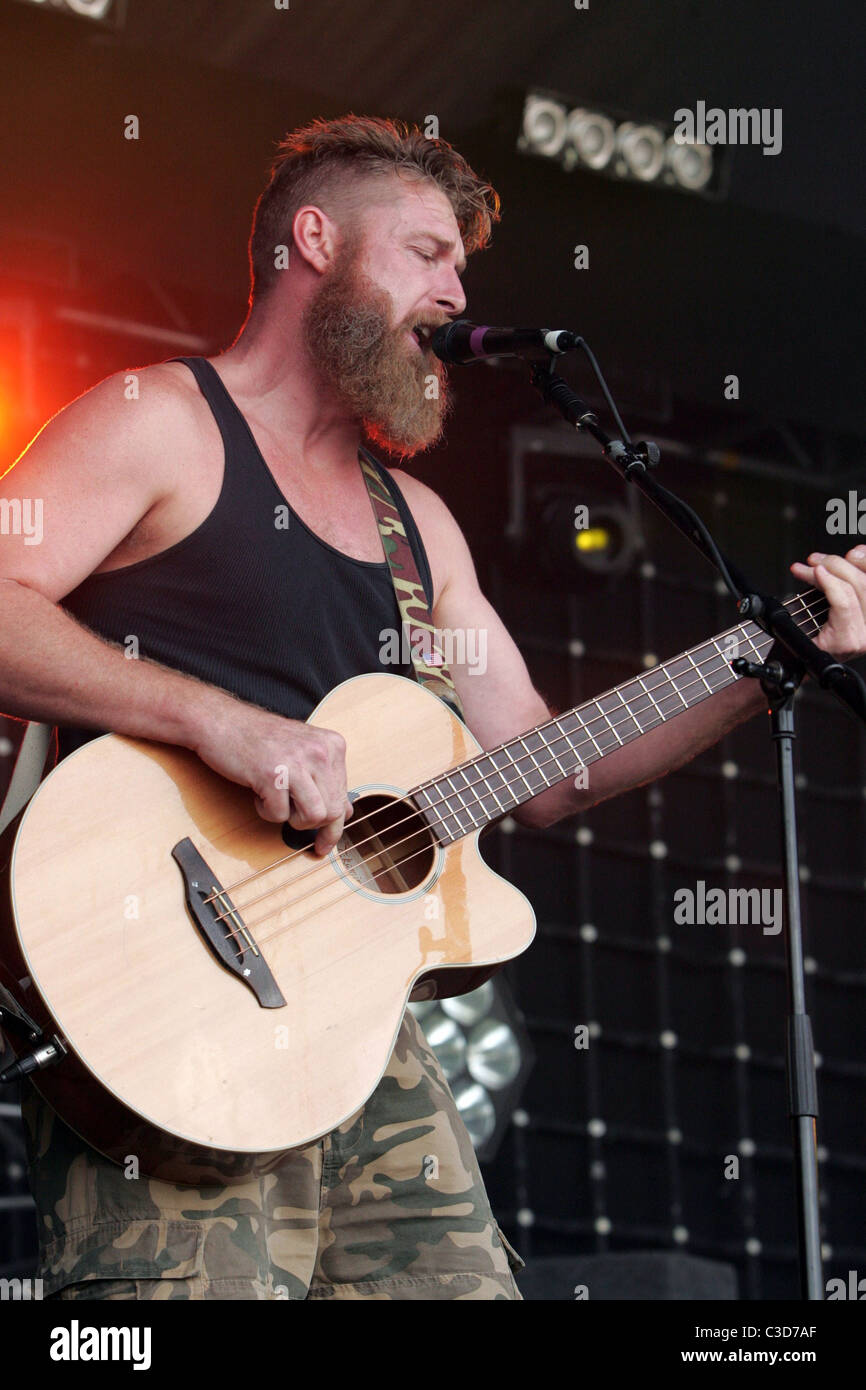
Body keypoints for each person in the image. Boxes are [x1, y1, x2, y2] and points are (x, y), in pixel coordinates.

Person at [0, 115, 864, 1301]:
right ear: (313, 241)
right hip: (157, 995)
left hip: (361, 1031)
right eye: (426, 253)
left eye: (461, 265)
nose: (457, 293)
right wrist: (218, 721)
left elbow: (551, 770)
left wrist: (768, 656)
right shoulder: (158, 418)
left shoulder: (419, 525)